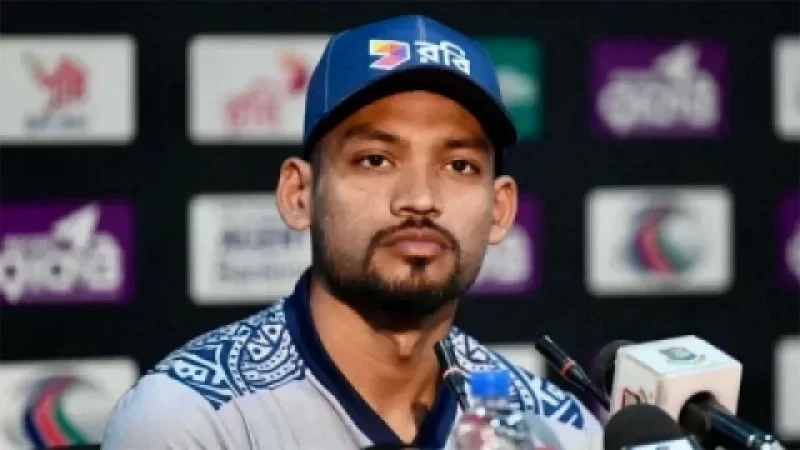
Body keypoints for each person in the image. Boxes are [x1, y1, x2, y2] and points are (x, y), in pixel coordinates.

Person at [103, 14, 603, 450]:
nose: (420, 198)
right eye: (375, 159)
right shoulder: (192, 419)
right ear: (299, 194)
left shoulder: (557, 430)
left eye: (458, 165)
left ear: (500, 210)